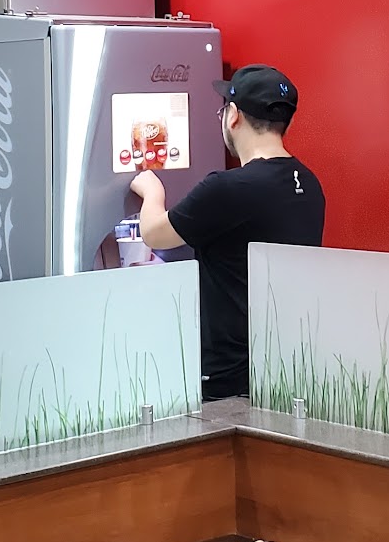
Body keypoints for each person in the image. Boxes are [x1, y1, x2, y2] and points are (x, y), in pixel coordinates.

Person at [131, 65, 325, 402]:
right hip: (282, 374)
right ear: (287, 122)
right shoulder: (309, 184)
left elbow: (154, 234)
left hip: (227, 380)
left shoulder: (228, 188)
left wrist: (151, 190)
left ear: (233, 116)